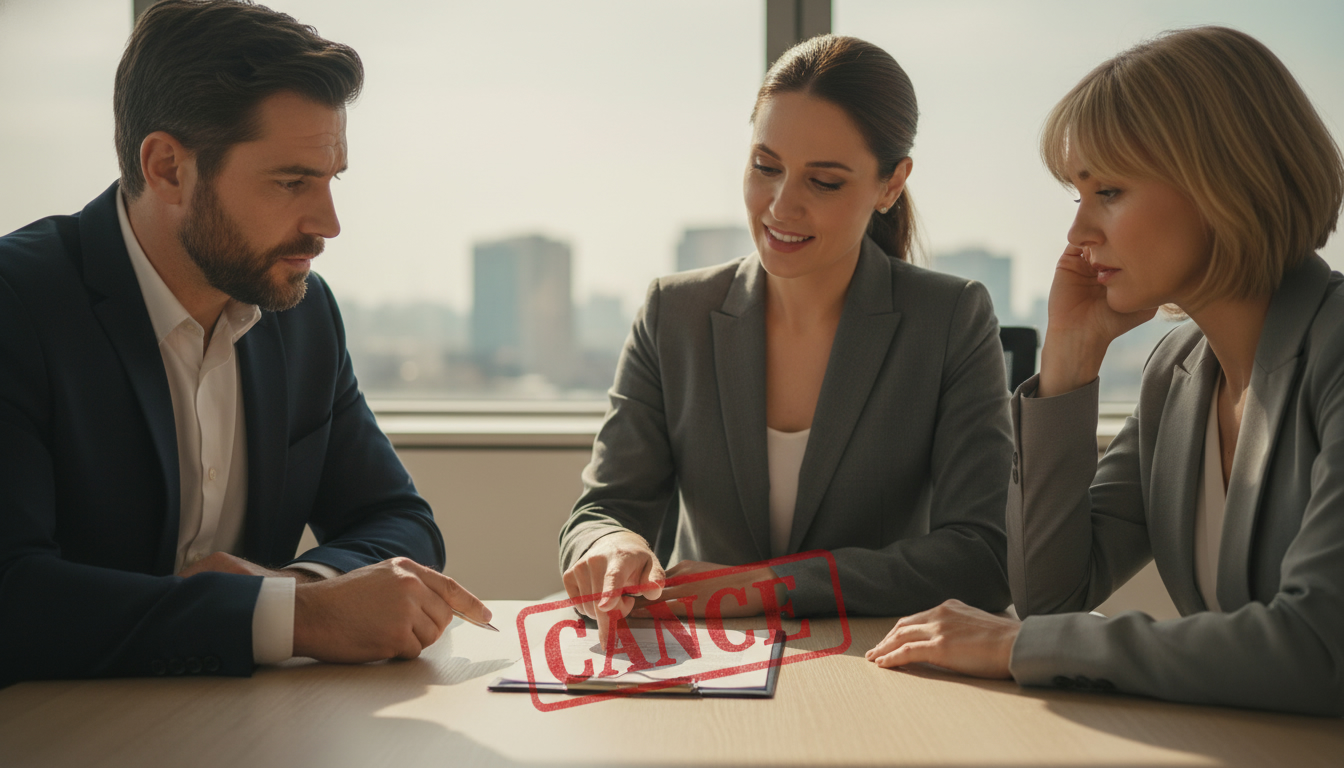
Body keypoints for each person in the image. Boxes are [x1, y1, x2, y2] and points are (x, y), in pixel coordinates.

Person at [0, 0, 490, 686]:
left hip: (243, 729)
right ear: (168, 167)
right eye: (292, 182)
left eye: (330, 180)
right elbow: (14, 596)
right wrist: (294, 618)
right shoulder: (17, 306)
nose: (328, 224)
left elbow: (397, 519)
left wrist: (292, 589)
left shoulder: (303, 312)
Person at [864, 26, 1344, 716]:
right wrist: (1069, 363)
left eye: (1109, 191)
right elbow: (1052, 597)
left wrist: (1014, 648)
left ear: (1225, 184)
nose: (1077, 234)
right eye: (1077, 195)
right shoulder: (1176, 375)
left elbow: (1320, 648)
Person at [559, 35, 1013, 644]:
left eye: (823, 182)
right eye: (765, 167)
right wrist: (612, 542)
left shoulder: (951, 317)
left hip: (876, 665)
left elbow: (977, 558)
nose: (780, 205)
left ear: (890, 184)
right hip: (710, 669)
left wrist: (763, 586)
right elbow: (604, 508)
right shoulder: (675, 312)